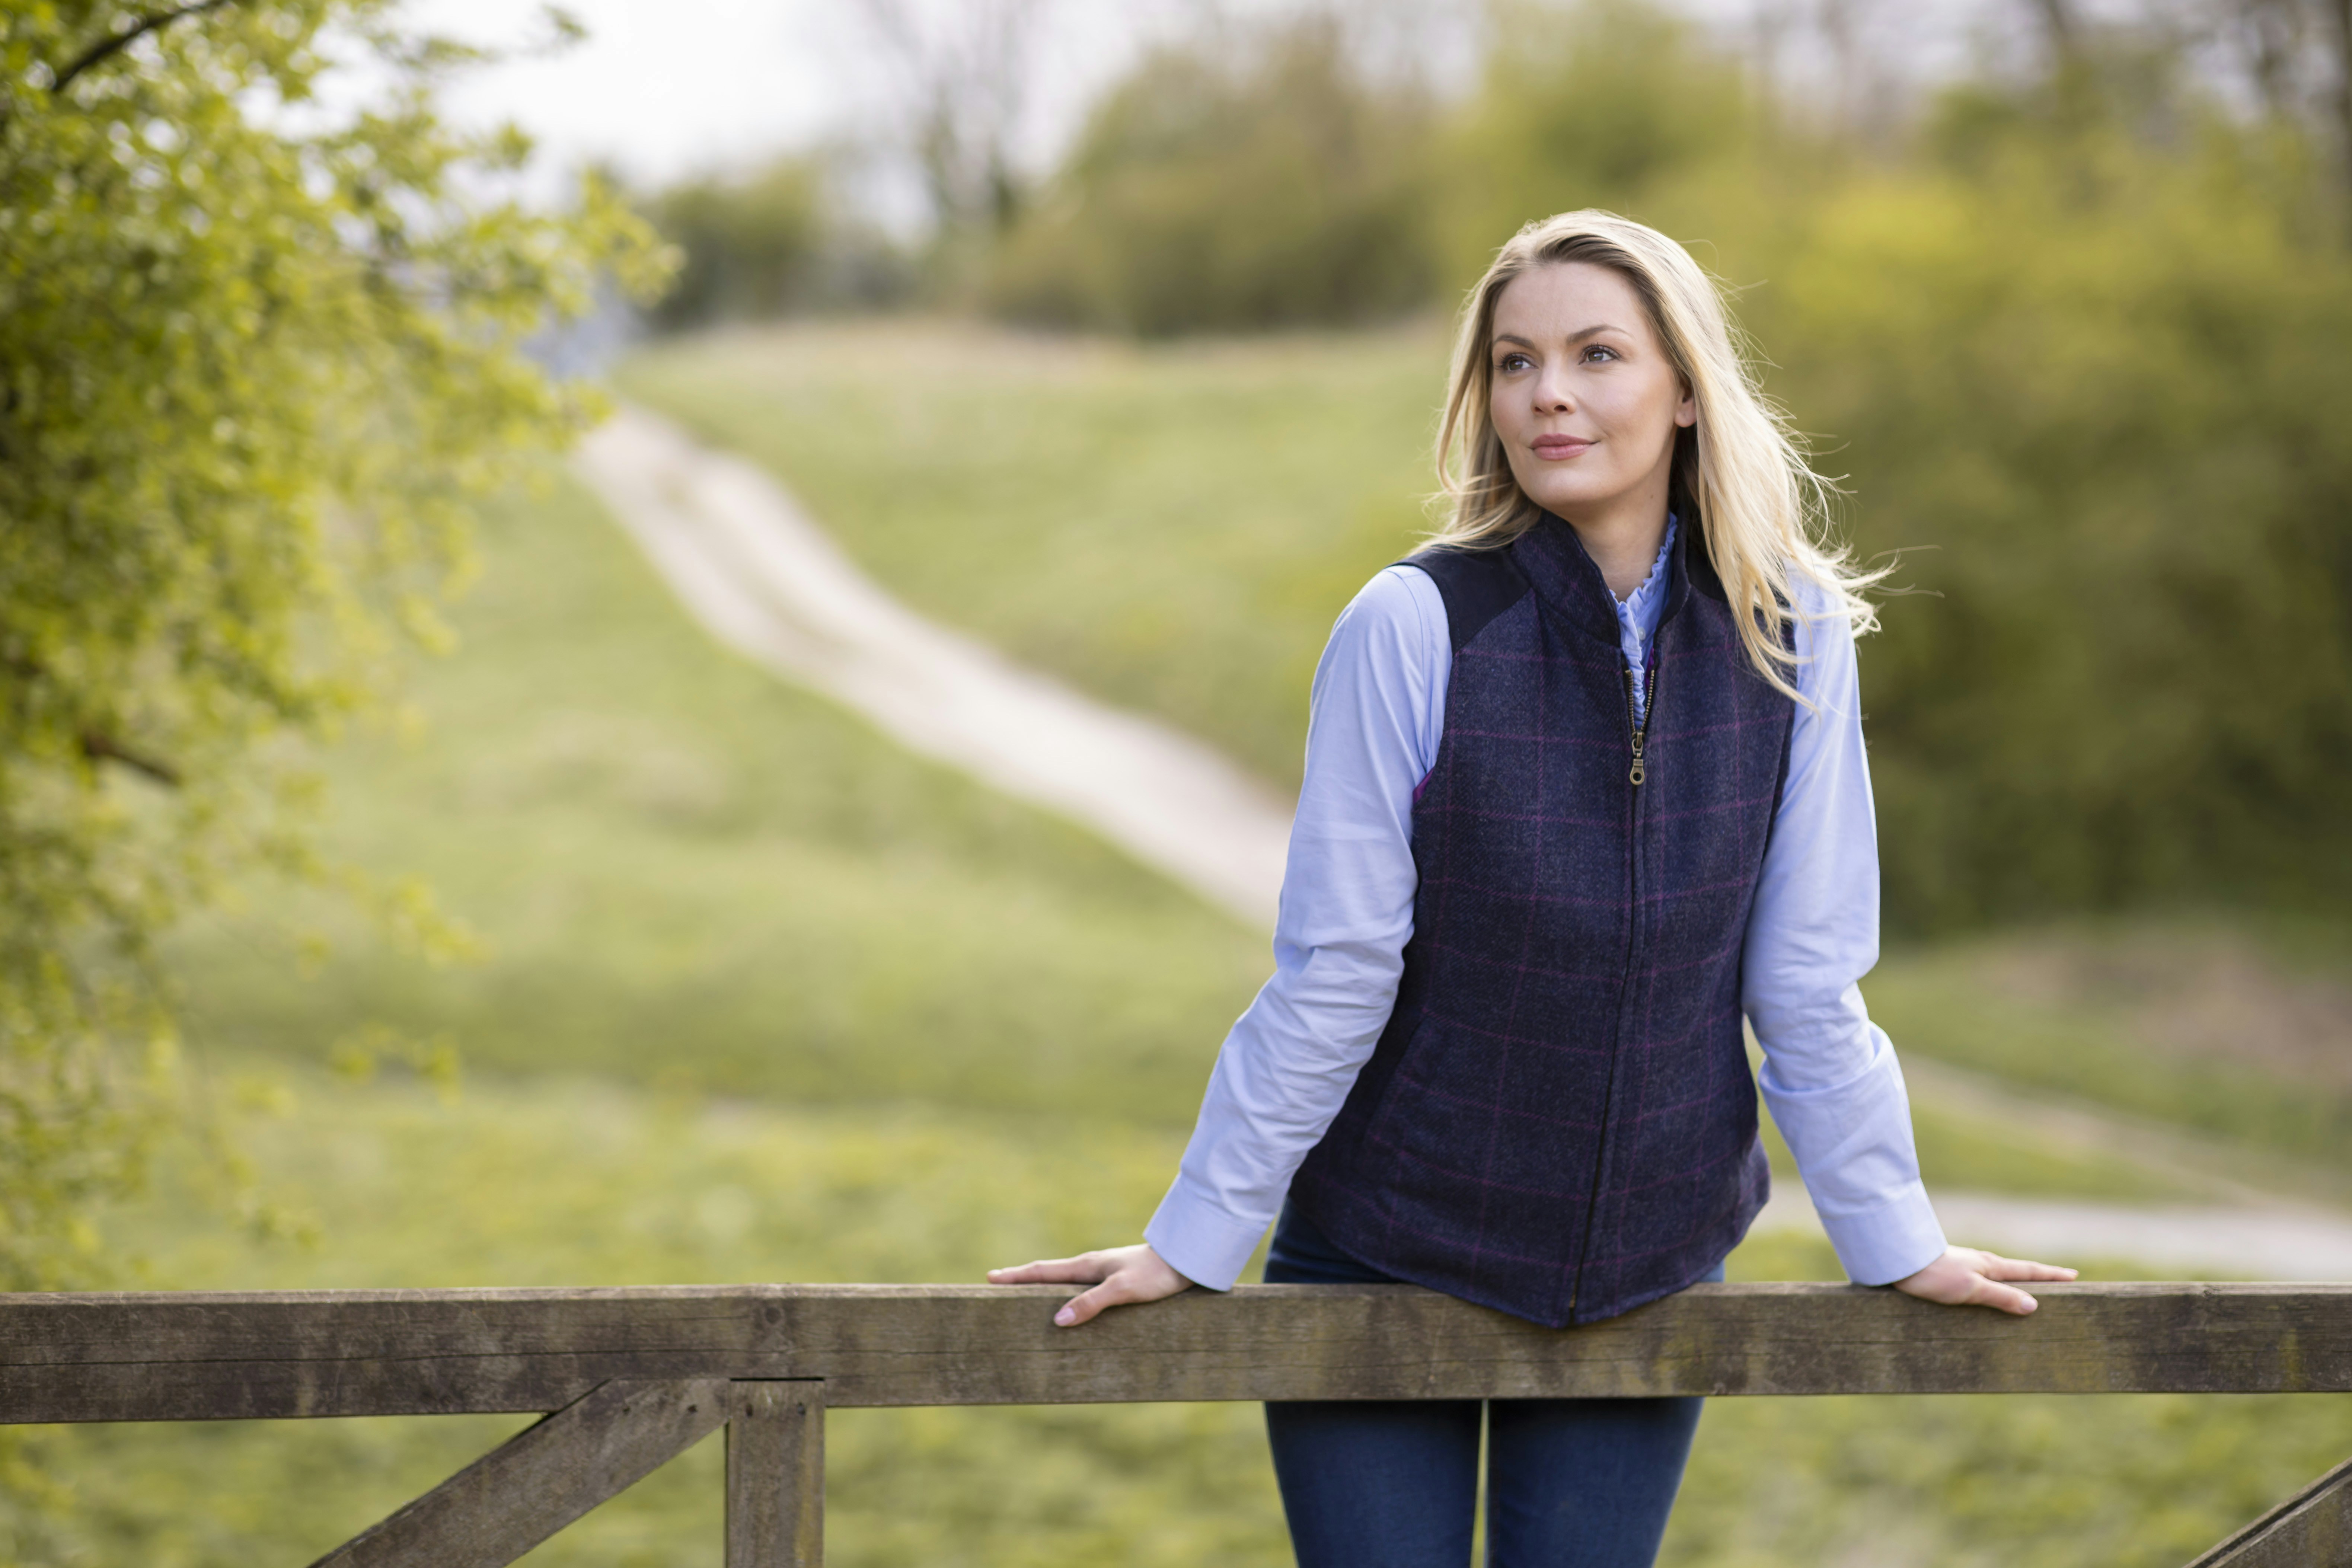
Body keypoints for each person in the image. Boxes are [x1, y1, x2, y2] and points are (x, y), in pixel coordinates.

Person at [987, 210, 2074, 1568]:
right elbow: (1337, 971)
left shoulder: (1791, 632)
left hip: (1649, 1273)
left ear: (1687, 390)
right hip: (1387, 1248)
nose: (1548, 393)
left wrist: (1895, 1236)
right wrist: (1196, 1235)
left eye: (1597, 354)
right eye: (1516, 362)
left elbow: (1804, 977)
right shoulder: (1412, 625)